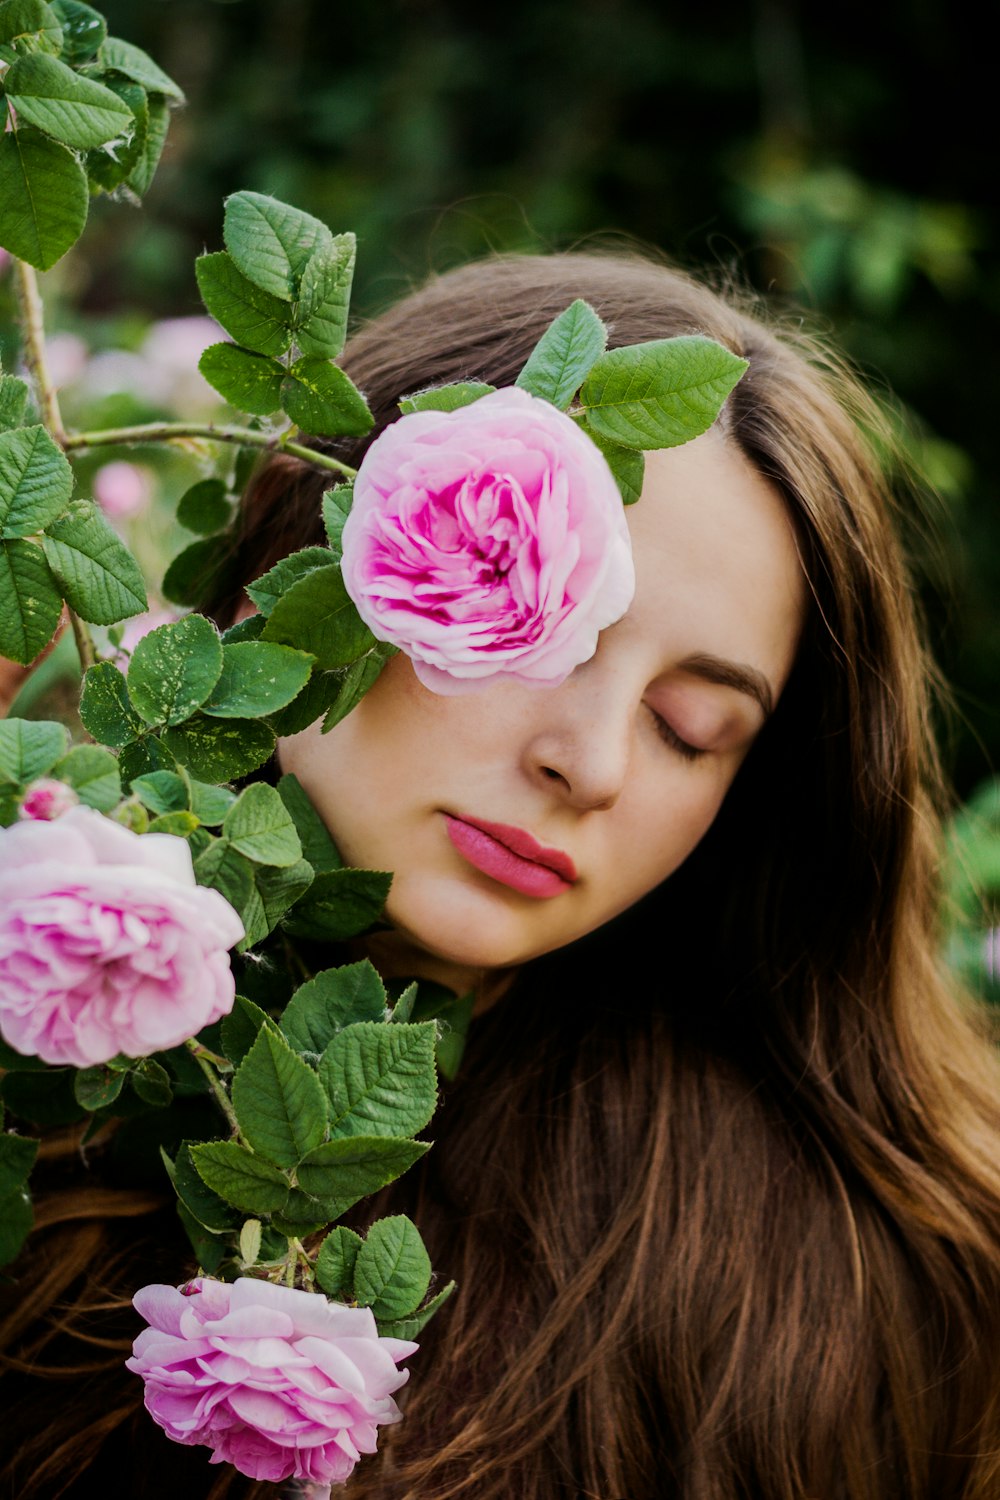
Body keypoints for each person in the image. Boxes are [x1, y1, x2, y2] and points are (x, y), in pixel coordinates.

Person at [5, 249, 1000, 1500]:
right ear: (303, 545)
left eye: (689, 727)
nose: (588, 764)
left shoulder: (835, 1293)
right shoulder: (33, 1049)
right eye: (536, 625)